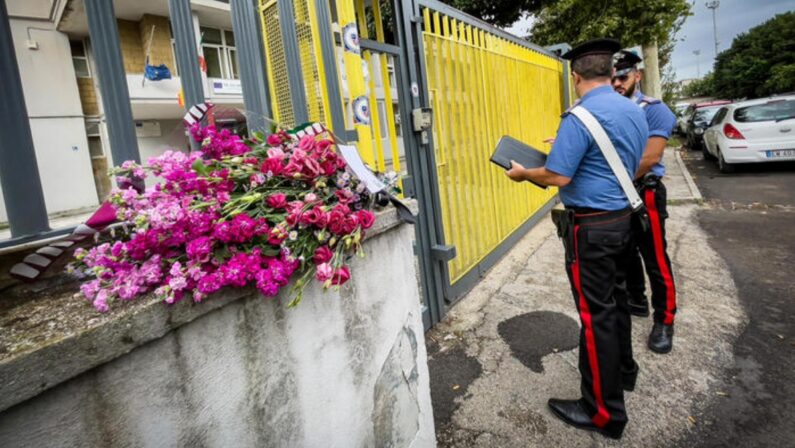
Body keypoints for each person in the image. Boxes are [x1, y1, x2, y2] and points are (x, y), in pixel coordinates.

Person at [505, 38, 649, 439]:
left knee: (595, 316)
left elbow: (557, 176)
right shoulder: (632, 109)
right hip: (624, 220)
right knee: (617, 304)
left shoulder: (580, 116)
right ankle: (624, 373)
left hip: (593, 229)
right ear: (611, 72)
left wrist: (524, 173)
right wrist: (567, 151)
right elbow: (623, 158)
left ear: (575, 76)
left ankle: (604, 413)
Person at [612, 50, 679, 354]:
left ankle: (664, 321)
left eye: (623, 77)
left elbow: (650, 158)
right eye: (612, 78)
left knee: (655, 258)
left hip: (644, 191)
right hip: (616, 193)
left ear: (637, 76)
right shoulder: (607, 109)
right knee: (624, 253)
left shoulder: (654, 109)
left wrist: (615, 182)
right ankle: (636, 301)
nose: (617, 83)